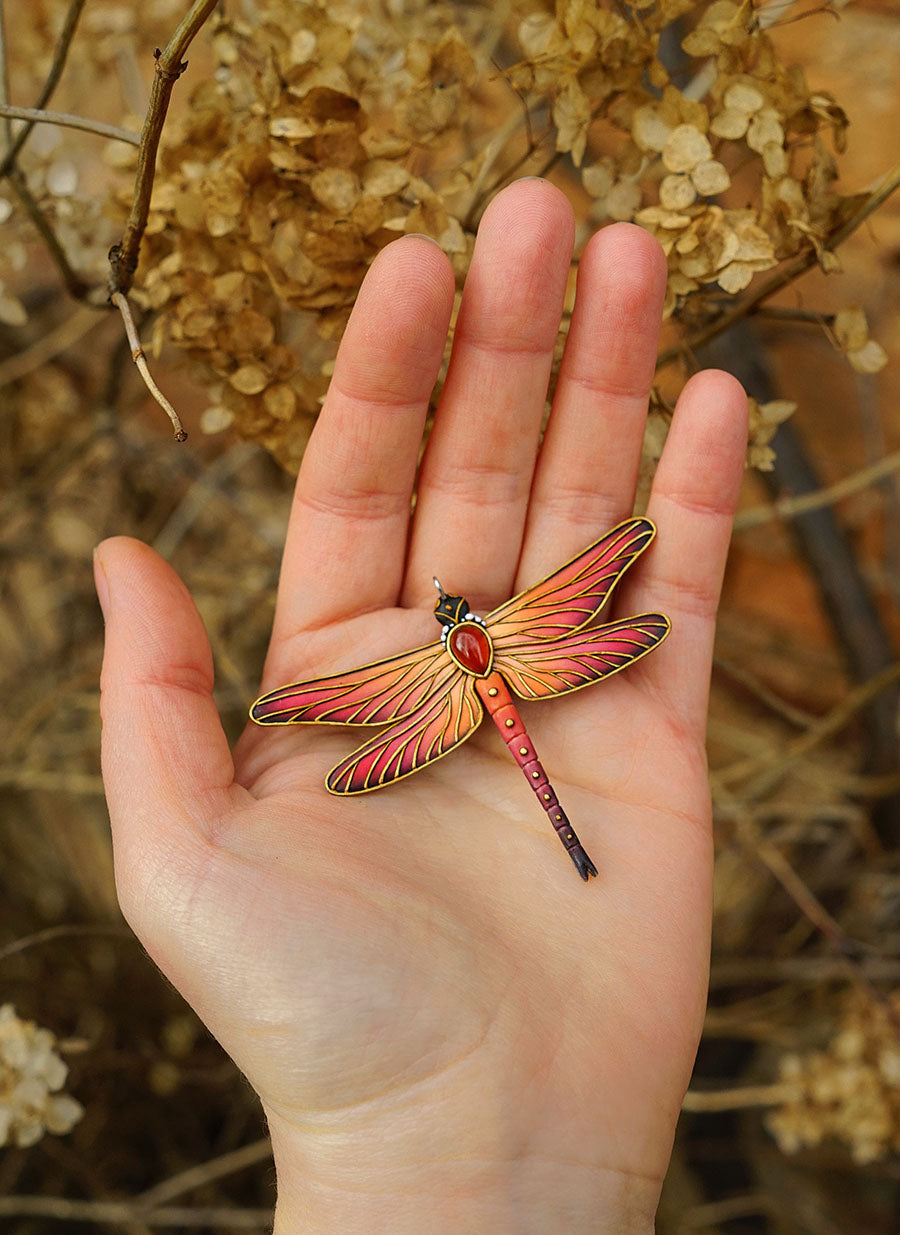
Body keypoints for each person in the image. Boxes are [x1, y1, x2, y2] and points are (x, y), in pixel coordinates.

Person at [95, 179, 748, 1232]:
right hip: (527, 676)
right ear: (464, 632)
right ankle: (571, 845)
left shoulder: (441, 675)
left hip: (486, 697)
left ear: (454, 632)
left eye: (457, 614)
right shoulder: (519, 634)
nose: (457, 615)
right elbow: (616, 559)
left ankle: (568, 846)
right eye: (455, 617)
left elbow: (332, 727)